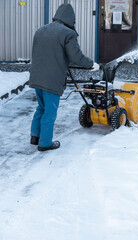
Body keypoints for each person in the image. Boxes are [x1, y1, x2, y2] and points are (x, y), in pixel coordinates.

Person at [29, 3, 100, 151]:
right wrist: (92, 64)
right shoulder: (68, 33)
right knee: (50, 111)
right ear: (71, 19)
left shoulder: (41, 30)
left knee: (41, 107)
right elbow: (76, 56)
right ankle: (45, 143)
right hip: (52, 79)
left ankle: (35, 136)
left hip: (36, 76)